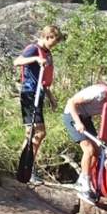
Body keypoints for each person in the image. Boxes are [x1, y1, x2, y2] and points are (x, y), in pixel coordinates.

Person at [62, 76, 107, 200]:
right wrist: (78, 122)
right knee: (88, 150)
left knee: (98, 152)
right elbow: (71, 102)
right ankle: (84, 183)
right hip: (72, 115)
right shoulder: (99, 93)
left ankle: (82, 180)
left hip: (85, 118)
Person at [11, 24, 64, 176]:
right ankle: (26, 167)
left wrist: (52, 98)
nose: (54, 46)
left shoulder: (47, 53)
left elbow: (44, 81)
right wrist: (35, 58)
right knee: (37, 133)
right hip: (29, 93)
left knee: (33, 133)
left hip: (38, 94)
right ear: (47, 37)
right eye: (53, 42)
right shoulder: (33, 49)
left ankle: (25, 166)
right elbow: (17, 61)